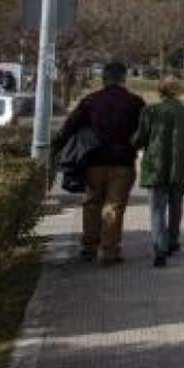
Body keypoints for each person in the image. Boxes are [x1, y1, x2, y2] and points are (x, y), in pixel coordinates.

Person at [51, 62, 145, 265]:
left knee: (92, 204)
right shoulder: (135, 102)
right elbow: (145, 132)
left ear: (104, 78)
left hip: (93, 162)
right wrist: (134, 146)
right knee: (114, 206)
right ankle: (110, 251)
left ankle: (88, 248)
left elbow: (69, 126)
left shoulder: (90, 101)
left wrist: (55, 147)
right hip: (123, 162)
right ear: (123, 78)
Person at [135, 77, 184, 268]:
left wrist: (129, 145)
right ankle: (173, 242)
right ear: (179, 91)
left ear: (160, 91)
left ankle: (160, 247)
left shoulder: (150, 111)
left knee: (157, 209)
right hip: (181, 168)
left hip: (155, 168)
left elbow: (140, 139)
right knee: (176, 206)